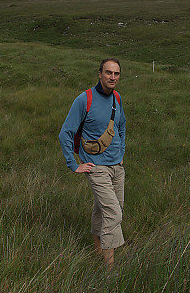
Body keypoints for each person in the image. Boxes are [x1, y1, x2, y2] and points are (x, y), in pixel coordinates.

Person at [58, 58, 126, 268]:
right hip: (96, 167)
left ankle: (97, 253)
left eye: (116, 74)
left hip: (117, 167)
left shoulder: (117, 98)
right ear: (99, 74)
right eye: (108, 73)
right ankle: (110, 270)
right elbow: (65, 133)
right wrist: (73, 164)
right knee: (113, 213)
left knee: (102, 210)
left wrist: (121, 151)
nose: (112, 77)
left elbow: (122, 126)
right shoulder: (84, 99)